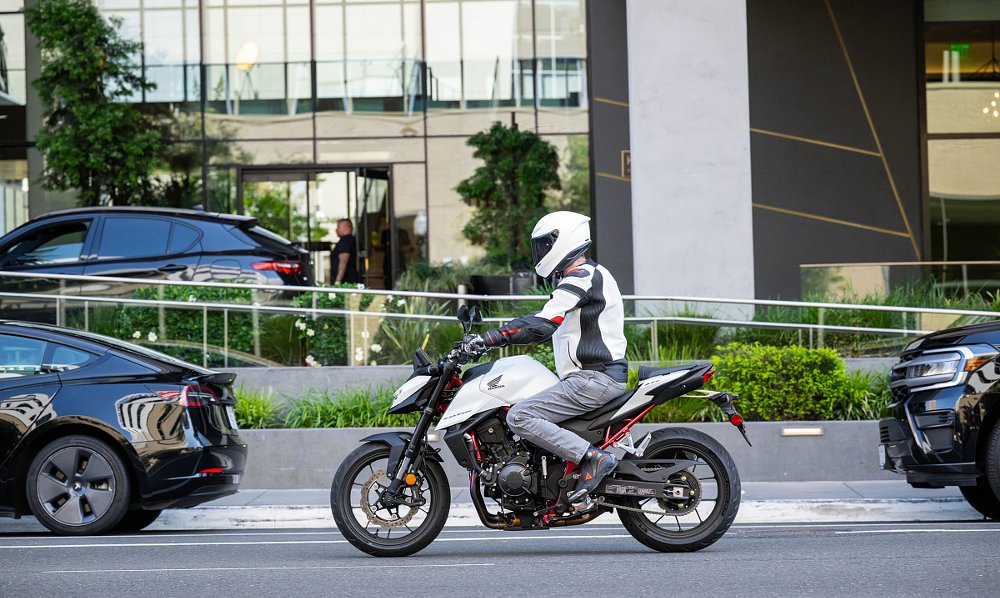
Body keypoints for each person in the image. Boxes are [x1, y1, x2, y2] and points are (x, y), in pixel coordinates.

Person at [464, 211, 628, 503]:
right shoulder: (580, 277)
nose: (541, 252)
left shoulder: (583, 276)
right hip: (590, 378)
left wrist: (491, 338)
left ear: (564, 240)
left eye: (545, 244)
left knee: (521, 415)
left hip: (594, 378)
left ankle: (593, 458)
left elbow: (543, 322)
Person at [331, 219, 361, 285]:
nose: (336, 230)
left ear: (345, 227)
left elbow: (343, 261)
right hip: (351, 279)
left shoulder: (345, 241)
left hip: (346, 281)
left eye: (338, 227)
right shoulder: (352, 240)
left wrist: (338, 281)